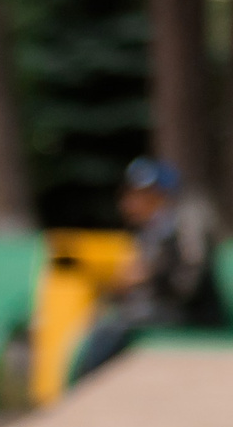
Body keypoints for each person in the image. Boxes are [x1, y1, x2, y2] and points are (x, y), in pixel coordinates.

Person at [68, 157, 224, 383]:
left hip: (193, 314)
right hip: (166, 307)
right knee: (103, 322)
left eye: (139, 194)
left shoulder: (187, 222)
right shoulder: (151, 232)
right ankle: (91, 390)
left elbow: (187, 284)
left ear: (160, 194)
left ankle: (86, 389)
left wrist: (147, 277)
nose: (130, 202)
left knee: (113, 327)